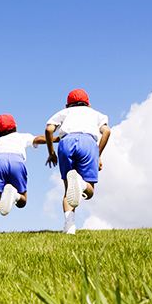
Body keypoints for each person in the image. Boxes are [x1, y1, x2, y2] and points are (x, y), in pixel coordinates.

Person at [44, 89, 111, 235]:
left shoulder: (64, 112)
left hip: (66, 142)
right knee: (89, 191)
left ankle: (70, 227)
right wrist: (97, 155)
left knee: (68, 189)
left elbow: (49, 129)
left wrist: (51, 153)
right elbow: (107, 131)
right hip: (88, 142)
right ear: (88, 104)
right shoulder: (96, 114)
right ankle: (81, 184)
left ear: (67, 105)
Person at [0, 114, 56, 235]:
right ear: (15, 127)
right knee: (23, 201)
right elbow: (39, 139)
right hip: (16, 161)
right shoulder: (22, 136)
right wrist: (56, 139)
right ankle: (15, 195)